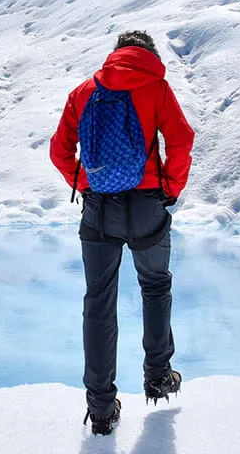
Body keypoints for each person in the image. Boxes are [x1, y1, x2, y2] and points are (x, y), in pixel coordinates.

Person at [49, 30, 195, 435]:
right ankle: (158, 376)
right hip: (148, 203)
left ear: (115, 54)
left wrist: (86, 187)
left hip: (98, 209)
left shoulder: (84, 91)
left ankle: (100, 407)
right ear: (149, 55)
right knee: (155, 285)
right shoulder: (157, 87)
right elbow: (181, 140)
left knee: (98, 301)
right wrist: (171, 187)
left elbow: (60, 150)